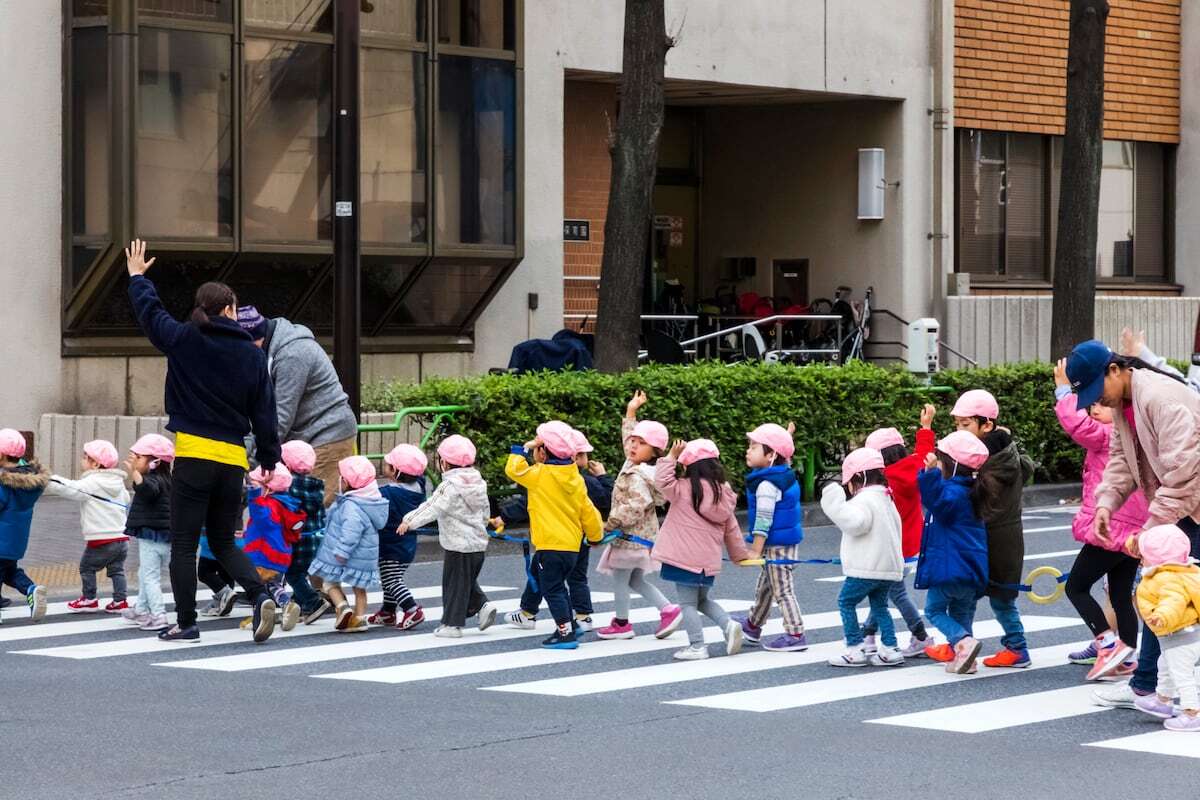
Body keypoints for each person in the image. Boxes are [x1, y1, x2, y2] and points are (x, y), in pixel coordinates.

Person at [126, 239, 282, 643]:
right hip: (232, 459)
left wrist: (138, 277)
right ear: (231, 310)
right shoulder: (252, 355)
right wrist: (268, 458)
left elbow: (151, 314)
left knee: (183, 545)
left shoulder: (184, 338)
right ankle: (261, 594)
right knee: (223, 542)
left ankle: (187, 622)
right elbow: (265, 411)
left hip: (194, 455)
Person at [1065, 339, 1200, 710]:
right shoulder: (1128, 403)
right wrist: (1105, 503)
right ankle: (1146, 685)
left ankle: (1153, 686)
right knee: (1164, 593)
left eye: (1096, 390)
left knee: (1173, 594)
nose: (1098, 401)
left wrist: (1151, 532)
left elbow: (1185, 471)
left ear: (1115, 369)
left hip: (1190, 506)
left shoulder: (1160, 399)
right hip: (1184, 509)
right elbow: (1122, 461)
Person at [1053, 358, 1146, 678]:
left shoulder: (1108, 433)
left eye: (1101, 405)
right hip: (1132, 526)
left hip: (1112, 524)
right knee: (1120, 595)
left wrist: (1064, 392)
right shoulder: (1131, 430)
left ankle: (1108, 644)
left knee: (1076, 586)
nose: (1094, 409)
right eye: (1091, 405)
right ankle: (1128, 657)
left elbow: (1076, 426)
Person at [237, 307, 358, 507]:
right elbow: (255, 413)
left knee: (310, 515)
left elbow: (280, 418)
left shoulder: (293, 355)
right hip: (302, 441)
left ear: (254, 340)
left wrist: (250, 464)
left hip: (327, 436)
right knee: (295, 515)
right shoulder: (267, 350)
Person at [951, 389, 1034, 668]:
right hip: (993, 536)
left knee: (999, 597)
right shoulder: (1003, 451)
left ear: (987, 425)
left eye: (966, 425)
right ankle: (962, 644)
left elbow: (972, 497)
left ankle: (1017, 648)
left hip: (997, 538)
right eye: (957, 425)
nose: (960, 431)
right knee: (969, 593)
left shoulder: (991, 462)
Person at [505, 421, 604, 650]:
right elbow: (588, 510)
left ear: (543, 451)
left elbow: (514, 469)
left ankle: (565, 633)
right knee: (555, 585)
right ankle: (569, 624)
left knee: (554, 590)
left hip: (549, 545)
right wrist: (595, 535)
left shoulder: (540, 474)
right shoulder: (575, 478)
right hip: (571, 546)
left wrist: (521, 448)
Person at [651, 439, 752, 661]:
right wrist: (739, 555)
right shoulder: (723, 494)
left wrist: (670, 457)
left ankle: (697, 645)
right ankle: (728, 624)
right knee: (701, 600)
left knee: (687, 603)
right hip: (707, 561)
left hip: (682, 557)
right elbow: (731, 528)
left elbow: (661, 481)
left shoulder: (683, 489)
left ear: (687, 466)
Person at [595, 392, 679, 640]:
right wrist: (631, 412)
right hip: (641, 537)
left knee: (621, 580)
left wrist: (610, 524)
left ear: (654, 451)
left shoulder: (637, 475)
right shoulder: (638, 465)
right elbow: (628, 442)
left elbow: (636, 504)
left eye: (640, 443)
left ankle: (622, 623)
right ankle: (668, 609)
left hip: (629, 537)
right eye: (632, 441)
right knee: (634, 581)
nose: (632, 446)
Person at [860, 404, 937, 657]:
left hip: (889, 545)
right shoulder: (913, 468)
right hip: (911, 545)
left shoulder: (883, 482)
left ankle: (920, 636)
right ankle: (868, 637)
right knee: (882, 590)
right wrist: (925, 428)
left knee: (892, 592)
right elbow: (925, 453)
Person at [401, 436, 495, 638]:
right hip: (478, 543)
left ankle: (452, 625)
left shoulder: (449, 486)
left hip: (457, 544)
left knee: (453, 584)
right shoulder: (479, 483)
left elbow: (431, 507)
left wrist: (409, 521)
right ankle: (482, 606)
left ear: (444, 463)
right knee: (464, 581)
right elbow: (484, 511)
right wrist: (484, 525)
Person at [914, 431, 990, 675]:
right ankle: (966, 659)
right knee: (962, 611)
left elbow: (934, 499)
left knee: (934, 610)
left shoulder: (953, 494)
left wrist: (930, 475)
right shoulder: (974, 491)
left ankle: (964, 643)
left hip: (950, 568)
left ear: (952, 465)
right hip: (971, 568)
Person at [821, 448, 905, 667]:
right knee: (880, 606)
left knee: (846, 602)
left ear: (858, 477)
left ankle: (855, 649)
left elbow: (855, 524)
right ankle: (890, 648)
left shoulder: (865, 499)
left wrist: (833, 502)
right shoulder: (887, 498)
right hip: (889, 567)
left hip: (867, 567)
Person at [739, 422, 807, 652]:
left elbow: (764, 520)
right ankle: (752, 625)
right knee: (766, 587)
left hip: (777, 545)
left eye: (754, 446)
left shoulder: (767, 484)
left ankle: (795, 632)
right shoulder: (781, 474)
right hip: (783, 542)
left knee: (782, 590)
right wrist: (786, 437)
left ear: (770, 455)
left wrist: (755, 550)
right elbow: (784, 456)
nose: (748, 450)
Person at [47, 440, 131, 614]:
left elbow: (71, 488)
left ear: (96, 464)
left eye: (85, 457)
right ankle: (120, 601)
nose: (82, 460)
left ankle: (89, 599)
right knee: (117, 570)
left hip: (101, 539)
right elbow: (127, 500)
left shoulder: (93, 482)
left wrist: (49, 479)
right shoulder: (118, 482)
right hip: (122, 539)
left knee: (87, 567)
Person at [1131, 524, 1200, 731]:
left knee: (1182, 675)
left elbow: (1174, 600)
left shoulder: (1166, 577)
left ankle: (1192, 713)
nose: (1141, 559)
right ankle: (1163, 700)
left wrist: (1162, 615)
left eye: (1144, 555)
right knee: (1165, 665)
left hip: (1180, 635)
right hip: (1181, 635)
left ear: (1156, 557)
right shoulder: (1180, 570)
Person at [309, 456, 387, 632]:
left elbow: (351, 533)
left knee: (329, 584)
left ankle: (342, 606)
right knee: (360, 589)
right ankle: (359, 618)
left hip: (347, 555)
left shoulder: (352, 506)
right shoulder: (371, 501)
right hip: (365, 557)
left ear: (346, 482)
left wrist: (342, 552)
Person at [369, 444, 429, 631]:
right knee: (391, 576)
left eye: (387, 465)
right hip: (407, 544)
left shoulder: (388, 494)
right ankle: (387, 611)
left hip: (390, 545)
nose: (384, 466)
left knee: (390, 579)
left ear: (394, 471)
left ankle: (411, 609)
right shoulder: (419, 487)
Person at [120, 434, 175, 631]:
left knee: (150, 576)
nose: (134, 461)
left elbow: (147, 490)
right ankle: (141, 609)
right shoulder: (168, 479)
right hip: (163, 536)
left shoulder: (154, 480)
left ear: (155, 462)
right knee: (146, 573)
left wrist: (135, 473)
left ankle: (158, 615)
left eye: (138, 457)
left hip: (153, 536)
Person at [241, 465, 305, 632]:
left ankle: (258, 618)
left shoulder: (267, 504)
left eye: (258, 484)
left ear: (268, 488)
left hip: (263, 555)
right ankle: (287, 604)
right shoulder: (286, 503)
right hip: (281, 555)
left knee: (256, 587)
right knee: (273, 585)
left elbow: (261, 518)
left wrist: (254, 495)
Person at [0, 428, 49, 623]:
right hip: (15, 541)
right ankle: (31, 589)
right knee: (9, 571)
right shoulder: (29, 482)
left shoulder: (4, 483)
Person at [279, 440, 328, 624]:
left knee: (293, 574)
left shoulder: (288, 486)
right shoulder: (316, 485)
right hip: (314, 539)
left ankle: (313, 601)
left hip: (298, 540)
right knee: (301, 572)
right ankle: (297, 605)